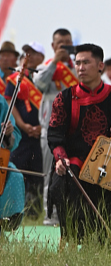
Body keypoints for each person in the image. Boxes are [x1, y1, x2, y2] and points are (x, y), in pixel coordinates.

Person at [48, 44, 111, 243]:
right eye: (78, 63)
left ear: (100, 66)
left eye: (86, 62)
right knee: (62, 182)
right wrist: (60, 159)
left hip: (107, 161)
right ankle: (74, 237)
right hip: (73, 160)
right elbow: (55, 135)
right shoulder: (64, 98)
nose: (81, 67)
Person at [35, 29, 77, 226]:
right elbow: (39, 84)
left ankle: (71, 214)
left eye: (67, 43)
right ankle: (50, 215)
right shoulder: (46, 67)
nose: (64, 46)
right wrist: (54, 62)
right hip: (50, 130)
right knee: (49, 173)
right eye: (60, 43)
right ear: (53, 46)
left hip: (74, 131)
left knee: (72, 173)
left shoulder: (77, 68)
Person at [6, 42, 45, 218]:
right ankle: (14, 209)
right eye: (26, 53)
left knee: (38, 173)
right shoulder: (16, 78)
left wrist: (42, 127)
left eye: (33, 53)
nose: (28, 56)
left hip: (42, 134)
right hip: (22, 134)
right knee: (18, 170)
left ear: (41, 57)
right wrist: (22, 125)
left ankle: (35, 211)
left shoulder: (48, 76)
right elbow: (10, 103)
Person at [0, 91, 26, 233]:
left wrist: (8, 133)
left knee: (15, 175)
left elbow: (11, 141)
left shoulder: (0, 102)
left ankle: (5, 221)